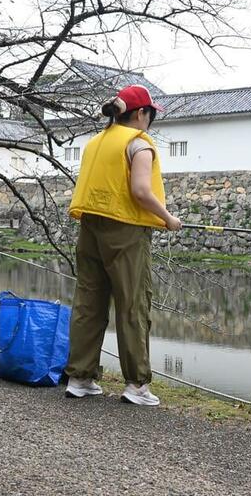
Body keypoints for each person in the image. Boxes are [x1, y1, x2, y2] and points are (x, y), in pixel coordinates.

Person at [64, 85, 181, 406]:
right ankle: (136, 385)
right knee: (132, 305)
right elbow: (141, 191)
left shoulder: (94, 144)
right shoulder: (138, 145)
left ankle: (80, 377)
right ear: (141, 113)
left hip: (90, 229)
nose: (151, 120)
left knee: (89, 302)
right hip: (127, 230)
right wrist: (169, 218)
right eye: (150, 114)